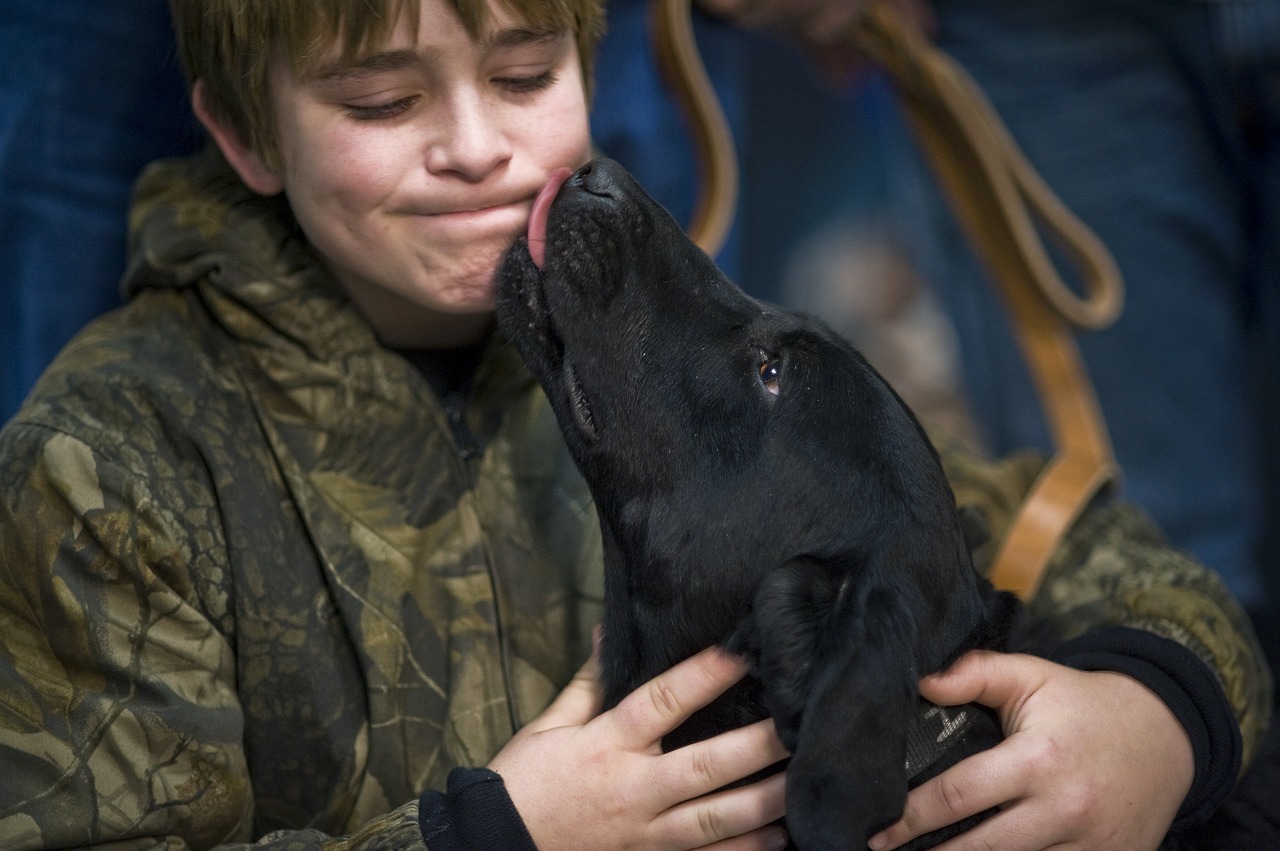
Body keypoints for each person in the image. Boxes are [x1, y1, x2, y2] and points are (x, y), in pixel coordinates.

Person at [0, 2, 1270, 851]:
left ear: (593, 68)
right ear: (242, 130)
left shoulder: (650, 357)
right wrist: (499, 836)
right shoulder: (108, 468)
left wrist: (1162, 714)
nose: (477, 149)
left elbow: (1071, 540)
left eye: (524, 75)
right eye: (381, 102)